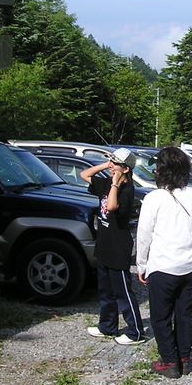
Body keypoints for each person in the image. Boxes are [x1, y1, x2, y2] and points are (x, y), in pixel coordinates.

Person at [137, 146, 192, 379]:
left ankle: (169, 361)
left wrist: (141, 266)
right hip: (191, 265)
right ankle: (185, 358)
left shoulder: (153, 198)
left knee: (160, 316)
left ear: (161, 170)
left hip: (163, 267)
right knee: (186, 313)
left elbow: (144, 235)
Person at [80, 148, 146, 345]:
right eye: (112, 163)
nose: (111, 167)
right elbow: (84, 175)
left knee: (123, 293)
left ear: (125, 169)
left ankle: (136, 332)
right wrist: (106, 164)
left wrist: (115, 184)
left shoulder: (127, 190)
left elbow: (111, 207)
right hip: (104, 245)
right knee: (105, 292)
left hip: (118, 247)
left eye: (115, 164)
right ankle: (107, 327)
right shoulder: (107, 182)